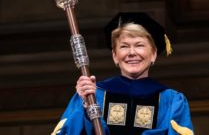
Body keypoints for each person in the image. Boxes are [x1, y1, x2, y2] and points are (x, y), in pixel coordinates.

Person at [52, 12, 194, 135]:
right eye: (124, 46)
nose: (132, 53)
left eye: (139, 45)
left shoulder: (171, 101)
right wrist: (85, 108)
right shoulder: (93, 94)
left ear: (153, 54)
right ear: (115, 56)